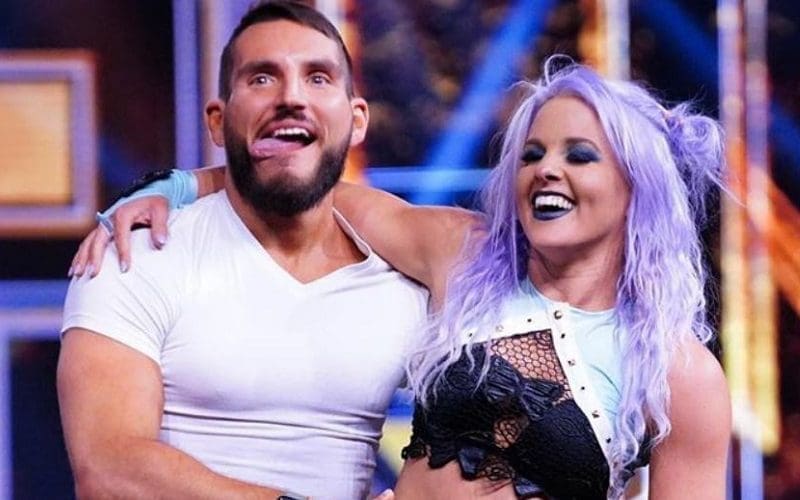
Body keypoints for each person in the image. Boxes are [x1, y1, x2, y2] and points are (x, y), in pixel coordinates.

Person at [74, 60, 732, 498]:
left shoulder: (679, 371)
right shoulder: (467, 256)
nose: (546, 170)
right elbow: (305, 187)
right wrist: (179, 186)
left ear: (636, 186)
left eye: (579, 156)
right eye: (532, 154)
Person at [58, 2, 428, 499]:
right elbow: (109, 472)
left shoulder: (404, 283)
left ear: (357, 120)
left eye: (318, 78)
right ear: (218, 121)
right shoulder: (135, 253)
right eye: (262, 78)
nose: (291, 97)